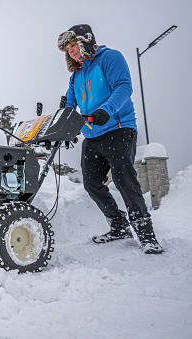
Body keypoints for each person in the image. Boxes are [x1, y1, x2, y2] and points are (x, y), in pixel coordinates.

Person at [57, 24, 164, 254]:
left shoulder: (110, 57)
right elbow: (71, 102)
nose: (71, 51)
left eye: (73, 45)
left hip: (118, 128)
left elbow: (124, 87)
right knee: (92, 183)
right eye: (67, 49)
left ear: (86, 40)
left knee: (125, 180)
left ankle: (147, 236)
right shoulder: (77, 73)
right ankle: (119, 226)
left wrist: (107, 109)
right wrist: (63, 113)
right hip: (92, 135)